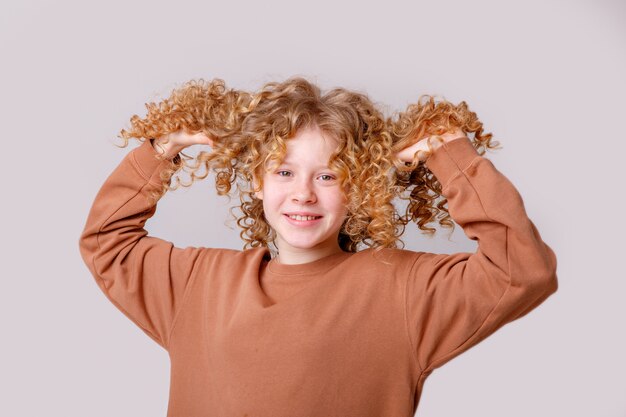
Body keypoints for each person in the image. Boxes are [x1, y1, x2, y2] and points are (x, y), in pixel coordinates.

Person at [78, 76, 558, 416]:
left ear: (360, 188)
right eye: (284, 171)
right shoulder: (197, 284)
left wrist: (450, 153)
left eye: (330, 175)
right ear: (256, 183)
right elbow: (106, 243)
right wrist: (163, 148)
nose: (304, 192)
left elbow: (522, 269)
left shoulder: (403, 290)